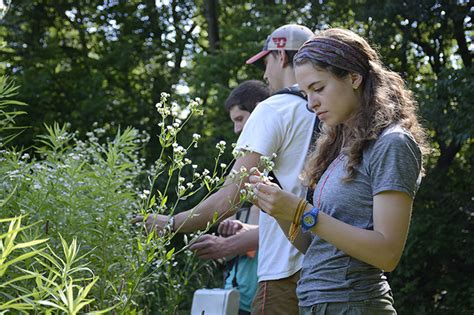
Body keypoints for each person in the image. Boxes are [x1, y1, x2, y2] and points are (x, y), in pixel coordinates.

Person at [135, 24, 315, 314]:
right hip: (333, 267)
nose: (265, 75)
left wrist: (170, 223)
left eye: (266, 62)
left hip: (286, 271)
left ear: (280, 55)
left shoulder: (272, 109)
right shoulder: (327, 108)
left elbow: (228, 199)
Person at [249, 28, 429, 314]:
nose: (311, 103)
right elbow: (315, 246)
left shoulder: (392, 143)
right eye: (305, 93)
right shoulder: (340, 150)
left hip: (355, 305)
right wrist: (280, 210)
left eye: (318, 88)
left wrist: (301, 212)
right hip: (316, 304)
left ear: (354, 77)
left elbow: (387, 253)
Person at [190, 80, 270, 315]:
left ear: (259, 110)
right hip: (235, 294)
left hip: (261, 296)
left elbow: (269, 235)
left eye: (240, 119)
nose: (236, 129)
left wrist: (225, 244)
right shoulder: (250, 171)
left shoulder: (272, 170)